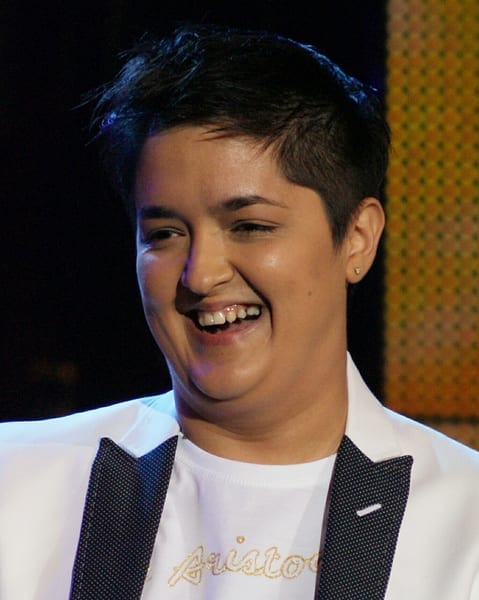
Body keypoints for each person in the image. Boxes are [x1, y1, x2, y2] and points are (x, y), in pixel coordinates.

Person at [1, 25, 478, 600]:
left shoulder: (463, 519)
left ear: (357, 238)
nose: (200, 275)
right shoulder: (20, 482)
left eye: (249, 226)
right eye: (165, 233)